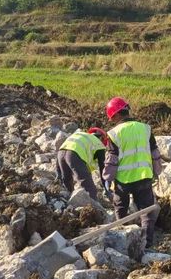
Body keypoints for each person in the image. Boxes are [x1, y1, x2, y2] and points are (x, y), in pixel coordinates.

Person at [102, 97, 162, 246]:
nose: (111, 121)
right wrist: (157, 171)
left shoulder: (114, 133)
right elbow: (155, 153)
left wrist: (107, 179)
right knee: (146, 212)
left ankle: (122, 239)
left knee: (121, 209)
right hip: (144, 177)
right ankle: (147, 244)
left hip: (123, 180)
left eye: (112, 118)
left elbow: (112, 159)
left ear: (115, 115)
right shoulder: (145, 128)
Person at [57, 128, 108, 200]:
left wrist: (58, 173)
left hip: (60, 153)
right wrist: (106, 187)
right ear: (102, 138)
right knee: (89, 187)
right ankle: (94, 207)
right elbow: (103, 169)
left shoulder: (83, 136)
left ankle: (69, 202)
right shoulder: (98, 144)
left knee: (67, 180)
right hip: (73, 155)